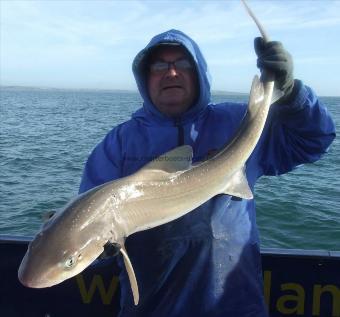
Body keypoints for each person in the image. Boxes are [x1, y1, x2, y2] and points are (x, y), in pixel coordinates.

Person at [79, 29, 335, 317]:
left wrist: (291, 95)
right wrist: (101, 250)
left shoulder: (236, 120)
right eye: (159, 66)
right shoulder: (119, 144)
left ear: (199, 71)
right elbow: (85, 229)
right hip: (152, 308)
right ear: (144, 77)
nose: (171, 73)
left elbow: (313, 140)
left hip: (234, 304)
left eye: (183, 64)